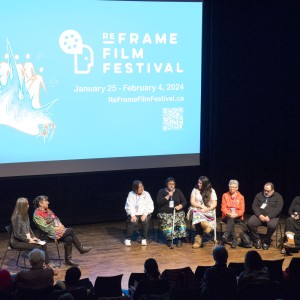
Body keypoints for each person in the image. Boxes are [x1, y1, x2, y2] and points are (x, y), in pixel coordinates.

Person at [33, 195, 92, 267]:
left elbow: (55, 219)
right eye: (46, 201)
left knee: (69, 238)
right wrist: (56, 229)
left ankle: (68, 260)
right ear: (40, 203)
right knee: (70, 230)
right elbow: (44, 228)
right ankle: (81, 248)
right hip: (46, 235)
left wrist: (60, 225)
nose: (48, 202)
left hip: (56, 232)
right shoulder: (37, 214)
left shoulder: (48, 211)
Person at [10, 197, 56, 272]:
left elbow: (29, 229)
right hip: (17, 242)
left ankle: (48, 264)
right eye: (26, 204)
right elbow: (17, 234)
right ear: (22, 206)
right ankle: (40, 267)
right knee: (38, 247)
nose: (28, 206)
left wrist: (34, 237)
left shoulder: (25, 215)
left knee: (43, 244)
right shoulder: (16, 217)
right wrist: (29, 240)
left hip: (26, 239)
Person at [247, 182, 283, 250]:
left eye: (268, 191)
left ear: (273, 190)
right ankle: (257, 240)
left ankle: (266, 241)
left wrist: (269, 217)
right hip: (260, 215)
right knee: (250, 223)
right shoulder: (259, 195)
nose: (266, 192)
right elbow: (254, 206)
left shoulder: (278, 197)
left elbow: (278, 209)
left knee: (272, 225)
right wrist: (260, 215)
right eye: (265, 190)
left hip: (271, 217)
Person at [157, 177, 187, 247]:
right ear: (166, 184)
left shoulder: (178, 191)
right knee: (168, 221)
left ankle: (180, 238)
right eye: (170, 184)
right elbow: (159, 202)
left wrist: (180, 206)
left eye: (173, 184)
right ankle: (169, 239)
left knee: (180, 221)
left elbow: (184, 202)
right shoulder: (161, 191)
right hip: (165, 213)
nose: (171, 185)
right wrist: (168, 195)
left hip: (177, 212)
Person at [189, 176, 217, 249]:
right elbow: (192, 202)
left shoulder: (211, 191)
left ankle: (198, 241)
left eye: (200, 183)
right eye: (198, 182)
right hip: (197, 209)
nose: (199, 184)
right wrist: (201, 206)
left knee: (197, 215)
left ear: (205, 184)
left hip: (208, 211)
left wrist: (207, 209)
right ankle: (205, 225)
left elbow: (214, 204)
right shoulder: (195, 190)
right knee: (196, 212)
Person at [124, 180, 154, 247]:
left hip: (144, 213)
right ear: (135, 188)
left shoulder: (146, 194)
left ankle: (144, 238)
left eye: (142, 186)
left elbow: (150, 205)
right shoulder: (131, 194)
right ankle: (128, 238)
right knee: (133, 221)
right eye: (139, 187)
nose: (141, 188)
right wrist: (132, 215)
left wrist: (145, 214)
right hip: (134, 214)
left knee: (145, 220)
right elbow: (129, 205)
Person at [221, 179, 245, 248]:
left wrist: (236, 214)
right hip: (227, 216)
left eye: (233, 187)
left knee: (231, 220)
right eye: (230, 187)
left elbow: (242, 210)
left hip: (238, 217)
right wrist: (229, 213)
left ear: (237, 188)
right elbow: (223, 208)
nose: (231, 188)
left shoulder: (241, 197)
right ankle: (234, 239)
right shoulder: (225, 195)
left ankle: (226, 235)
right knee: (230, 219)